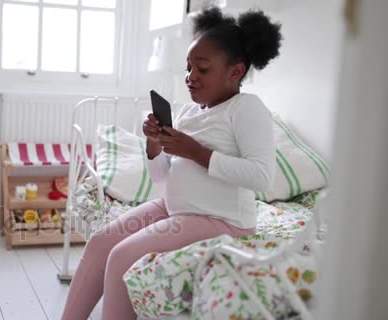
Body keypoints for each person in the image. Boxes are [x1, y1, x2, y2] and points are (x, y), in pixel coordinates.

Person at [61, 7, 282, 320]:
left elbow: (262, 177)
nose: (190, 77)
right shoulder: (190, 112)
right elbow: (162, 177)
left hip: (221, 219)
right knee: (101, 242)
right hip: (175, 206)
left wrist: (194, 151)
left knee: (122, 256)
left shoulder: (247, 108)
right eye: (188, 67)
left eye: (202, 69)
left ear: (235, 72)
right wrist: (154, 144)